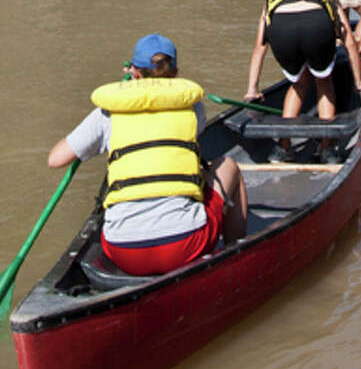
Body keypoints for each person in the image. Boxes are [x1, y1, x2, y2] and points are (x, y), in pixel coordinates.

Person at [47, 34, 247, 277]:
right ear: (175, 73)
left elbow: (55, 159)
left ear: (134, 71)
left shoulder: (107, 113)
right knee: (228, 165)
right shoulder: (194, 108)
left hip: (122, 252)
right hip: (184, 246)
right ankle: (236, 260)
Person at [245, 0, 361, 125]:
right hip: (316, 23)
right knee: (324, 81)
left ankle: (284, 145)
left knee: (299, 83)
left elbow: (260, 46)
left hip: (282, 28)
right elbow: (348, 39)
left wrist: (252, 90)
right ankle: (326, 145)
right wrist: (359, 82)